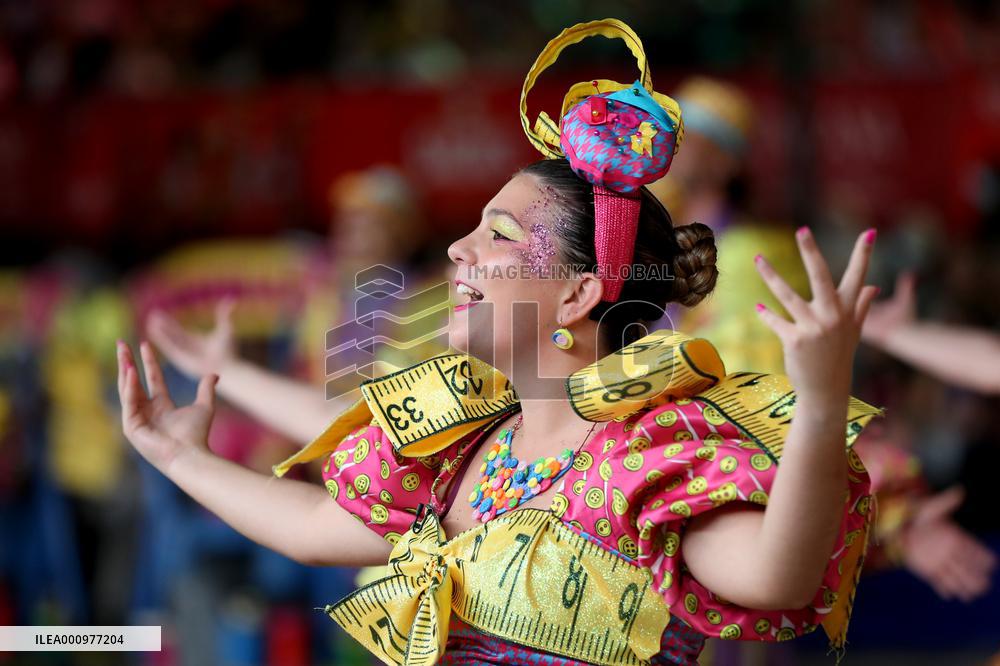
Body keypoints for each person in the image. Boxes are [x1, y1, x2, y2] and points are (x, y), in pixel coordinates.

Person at [116, 20, 880, 665]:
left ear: (579, 295)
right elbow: (314, 529)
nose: (458, 249)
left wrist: (819, 399)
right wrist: (176, 452)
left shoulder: (649, 459)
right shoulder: (464, 441)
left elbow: (778, 576)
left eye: (499, 233)